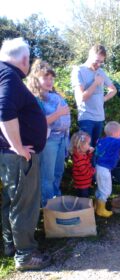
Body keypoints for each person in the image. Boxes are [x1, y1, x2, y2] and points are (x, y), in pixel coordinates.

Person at [0, 38, 51, 270]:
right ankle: (26, 256)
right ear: (23, 59)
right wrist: (18, 146)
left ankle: (10, 246)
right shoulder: (9, 76)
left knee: (10, 201)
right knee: (24, 204)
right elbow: (4, 110)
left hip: (8, 155)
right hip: (20, 157)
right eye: (28, 60)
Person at [27, 59, 71, 207]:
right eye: (45, 77)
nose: (49, 81)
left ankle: (55, 199)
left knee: (58, 172)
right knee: (47, 176)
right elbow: (38, 124)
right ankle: (48, 206)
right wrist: (58, 113)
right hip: (49, 141)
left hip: (61, 139)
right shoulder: (34, 99)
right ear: (35, 79)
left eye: (51, 78)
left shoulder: (55, 95)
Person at [71, 45, 117, 147]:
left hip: (100, 118)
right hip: (86, 118)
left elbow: (113, 90)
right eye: (96, 61)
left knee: (96, 151)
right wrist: (96, 83)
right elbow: (81, 98)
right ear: (90, 55)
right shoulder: (78, 71)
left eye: (101, 62)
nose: (98, 64)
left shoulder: (100, 72)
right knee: (85, 151)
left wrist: (103, 99)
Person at [69, 131, 95, 198]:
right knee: (83, 198)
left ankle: (81, 206)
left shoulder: (81, 154)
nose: (89, 145)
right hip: (83, 183)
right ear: (81, 145)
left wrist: (89, 153)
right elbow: (85, 171)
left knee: (81, 197)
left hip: (82, 182)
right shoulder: (79, 158)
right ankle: (84, 207)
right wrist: (93, 171)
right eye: (88, 144)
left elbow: (86, 160)